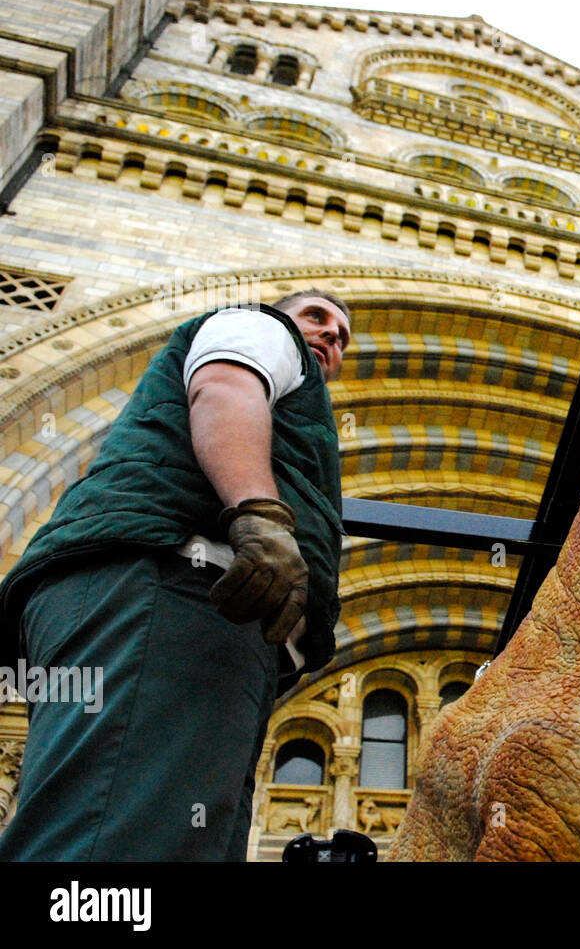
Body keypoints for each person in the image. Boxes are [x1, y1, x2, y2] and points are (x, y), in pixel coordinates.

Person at [0, 289, 350, 861]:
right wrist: (258, 514)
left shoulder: (296, 403)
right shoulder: (258, 329)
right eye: (317, 317)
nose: (332, 335)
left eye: (342, 335)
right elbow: (225, 389)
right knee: (113, 850)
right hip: (173, 587)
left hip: (195, 619)